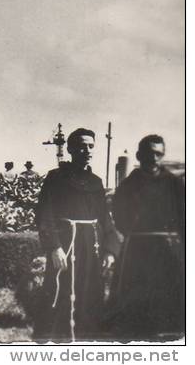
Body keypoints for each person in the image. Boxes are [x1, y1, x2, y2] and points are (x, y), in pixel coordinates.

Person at [34, 128, 119, 342]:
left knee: (90, 293)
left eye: (91, 146)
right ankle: (60, 342)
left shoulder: (96, 181)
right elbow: (45, 213)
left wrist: (110, 250)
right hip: (66, 245)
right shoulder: (56, 177)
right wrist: (54, 247)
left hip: (92, 246)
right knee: (62, 291)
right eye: (82, 146)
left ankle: (87, 342)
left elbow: (104, 218)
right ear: (71, 149)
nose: (87, 150)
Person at [107, 135, 184, 339]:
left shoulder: (174, 184)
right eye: (149, 153)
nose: (154, 158)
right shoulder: (129, 184)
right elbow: (118, 213)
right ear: (139, 155)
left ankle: (169, 330)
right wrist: (132, 232)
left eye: (158, 154)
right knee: (135, 291)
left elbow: (185, 214)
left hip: (168, 248)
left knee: (169, 288)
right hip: (137, 247)